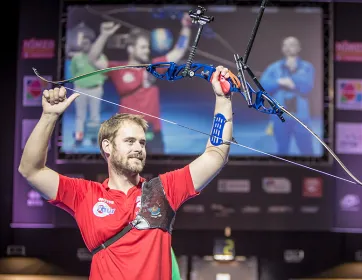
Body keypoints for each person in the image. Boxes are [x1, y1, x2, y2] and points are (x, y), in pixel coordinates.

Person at [18, 66, 235, 280]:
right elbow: (31, 170)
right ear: (107, 146)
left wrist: (223, 100)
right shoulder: (85, 194)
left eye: (142, 142)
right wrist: (48, 117)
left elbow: (215, 156)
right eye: (130, 141)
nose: (139, 148)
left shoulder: (162, 190)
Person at [89, 15, 192, 153]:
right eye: (143, 47)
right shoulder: (118, 68)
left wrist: (186, 27)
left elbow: (178, 51)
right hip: (126, 133)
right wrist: (104, 35)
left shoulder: (153, 67)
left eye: (148, 47)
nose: (147, 50)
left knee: (158, 172)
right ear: (131, 49)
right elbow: (93, 59)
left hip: (152, 132)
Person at [259, 36, 315, 155]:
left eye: (292, 44)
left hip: (301, 117)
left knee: (307, 151)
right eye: (286, 45)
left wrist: (293, 82)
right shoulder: (273, 67)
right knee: (281, 151)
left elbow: (308, 86)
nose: (289, 48)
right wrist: (279, 82)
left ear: (299, 47)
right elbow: (263, 85)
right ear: (282, 48)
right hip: (280, 116)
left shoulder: (307, 67)